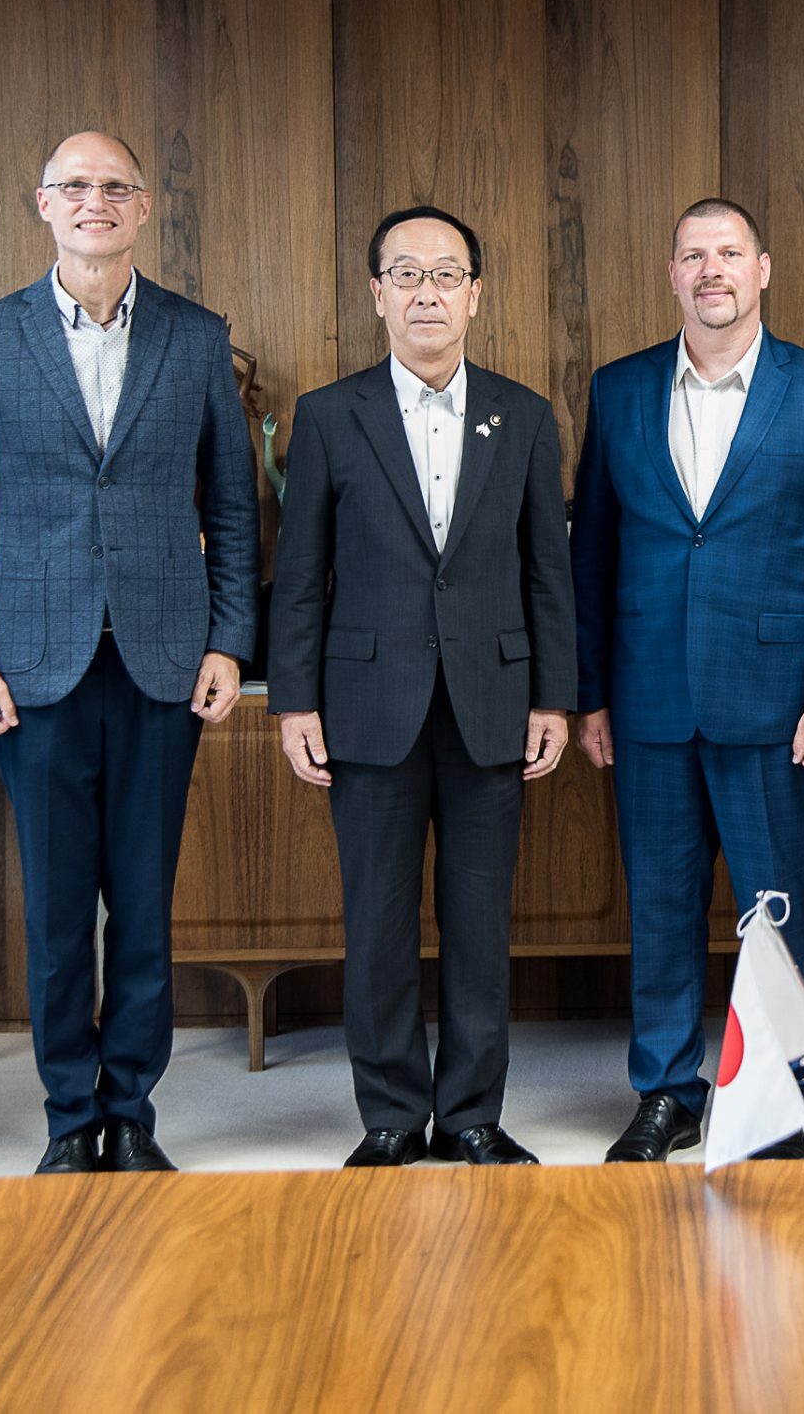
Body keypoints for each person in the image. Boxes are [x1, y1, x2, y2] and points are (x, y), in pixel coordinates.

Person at [0, 131, 259, 1177]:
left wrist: (230, 639)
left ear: (144, 207)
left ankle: (132, 1112)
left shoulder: (196, 336)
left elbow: (232, 504)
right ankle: (69, 1115)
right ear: (44, 203)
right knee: (59, 910)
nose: (95, 201)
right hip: (34, 665)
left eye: (115, 186)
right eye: (75, 185)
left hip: (164, 659)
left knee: (145, 906)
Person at [570, 197, 804, 1164]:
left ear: (762, 269)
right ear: (672, 274)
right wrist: (590, 692)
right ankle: (667, 1089)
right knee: (660, 910)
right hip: (649, 699)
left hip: (777, 706)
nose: (712, 269)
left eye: (729, 253)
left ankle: (777, 1097)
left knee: (776, 911)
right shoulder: (619, 389)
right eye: (693, 255)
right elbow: (593, 554)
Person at [269, 206, 575, 1169]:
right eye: (406, 274)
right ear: (378, 295)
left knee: (480, 923)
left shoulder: (524, 414)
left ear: (475, 295)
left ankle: (473, 1114)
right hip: (367, 706)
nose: (427, 292)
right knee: (378, 922)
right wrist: (293, 701)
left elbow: (548, 570)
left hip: (493, 703)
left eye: (446, 275)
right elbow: (300, 571)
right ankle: (393, 1117)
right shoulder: (330, 415)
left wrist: (553, 697)